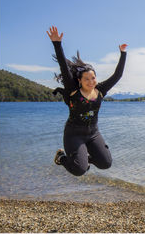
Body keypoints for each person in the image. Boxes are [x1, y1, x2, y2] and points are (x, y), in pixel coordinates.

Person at [47, 26, 128, 176]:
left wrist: (123, 53)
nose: (91, 81)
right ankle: (62, 158)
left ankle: (82, 159)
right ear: (80, 80)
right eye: (87, 79)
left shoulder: (100, 90)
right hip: (74, 134)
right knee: (79, 170)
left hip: (93, 134)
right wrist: (57, 44)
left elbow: (118, 75)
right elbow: (63, 67)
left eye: (93, 78)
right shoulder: (73, 90)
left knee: (106, 163)